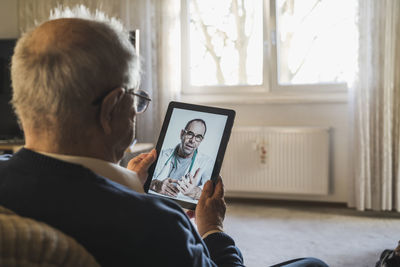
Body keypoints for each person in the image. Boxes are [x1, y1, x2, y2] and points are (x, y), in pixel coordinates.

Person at [0, 6, 328, 267]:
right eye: (136, 98)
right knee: (313, 263)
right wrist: (212, 229)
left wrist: (123, 181)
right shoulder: (155, 225)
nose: (136, 109)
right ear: (111, 106)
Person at [149, 118, 213, 200]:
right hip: (157, 202)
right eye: (190, 134)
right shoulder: (161, 154)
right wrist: (155, 185)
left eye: (198, 137)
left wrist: (194, 192)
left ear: (201, 140)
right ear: (182, 134)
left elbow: (210, 194)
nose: (192, 140)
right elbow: (143, 180)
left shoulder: (206, 162)